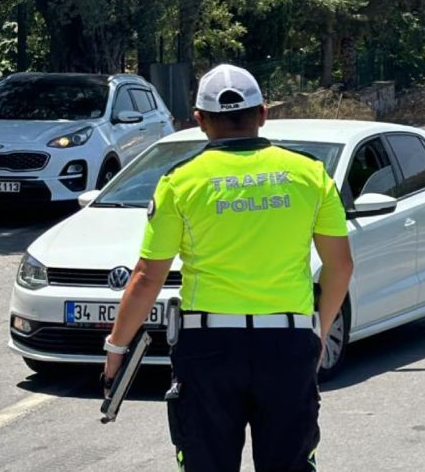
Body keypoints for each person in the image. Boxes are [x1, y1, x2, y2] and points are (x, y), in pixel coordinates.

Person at [102, 64, 354, 471]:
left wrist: (116, 349)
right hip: (288, 345)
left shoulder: (179, 181)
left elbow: (148, 277)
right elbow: (340, 267)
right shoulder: (310, 174)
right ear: (263, 113)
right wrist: (318, 334)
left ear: (199, 120)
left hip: (208, 349)